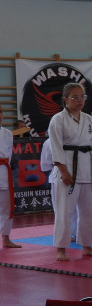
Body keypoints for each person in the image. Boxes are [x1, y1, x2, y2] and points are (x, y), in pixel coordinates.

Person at [48, 82, 92, 260]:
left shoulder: (89, 120)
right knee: (65, 211)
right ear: (65, 99)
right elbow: (55, 146)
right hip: (68, 169)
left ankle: (87, 246)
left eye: (82, 96)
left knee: (89, 211)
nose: (80, 100)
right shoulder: (58, 119)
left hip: (88, 171)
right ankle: (61, 248)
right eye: (75, 97)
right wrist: (63, 170)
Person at [0, 105, 21, 248]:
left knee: (6, 207)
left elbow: (9, 154)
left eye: (1, 112)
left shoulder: (7, 133)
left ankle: (6, 238)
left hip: (3, 171)